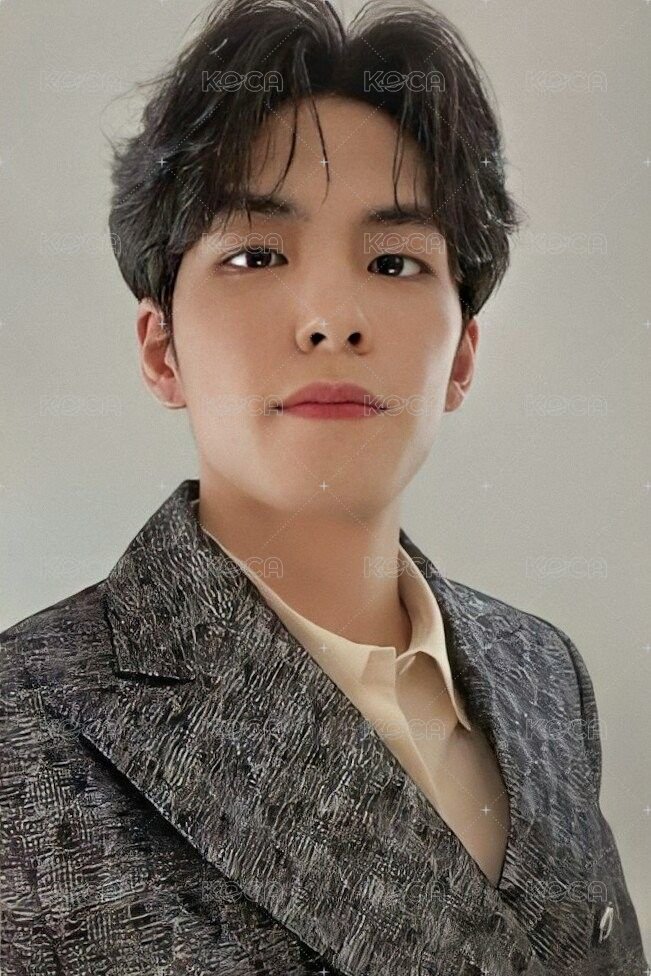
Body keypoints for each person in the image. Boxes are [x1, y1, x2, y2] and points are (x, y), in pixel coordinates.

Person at [1, 0, 646, 972]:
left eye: (394, 261)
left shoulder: (543, 675)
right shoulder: (26, 723)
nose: (332, 317)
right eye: (256, 255)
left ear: (462, 356)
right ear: (162, 348)